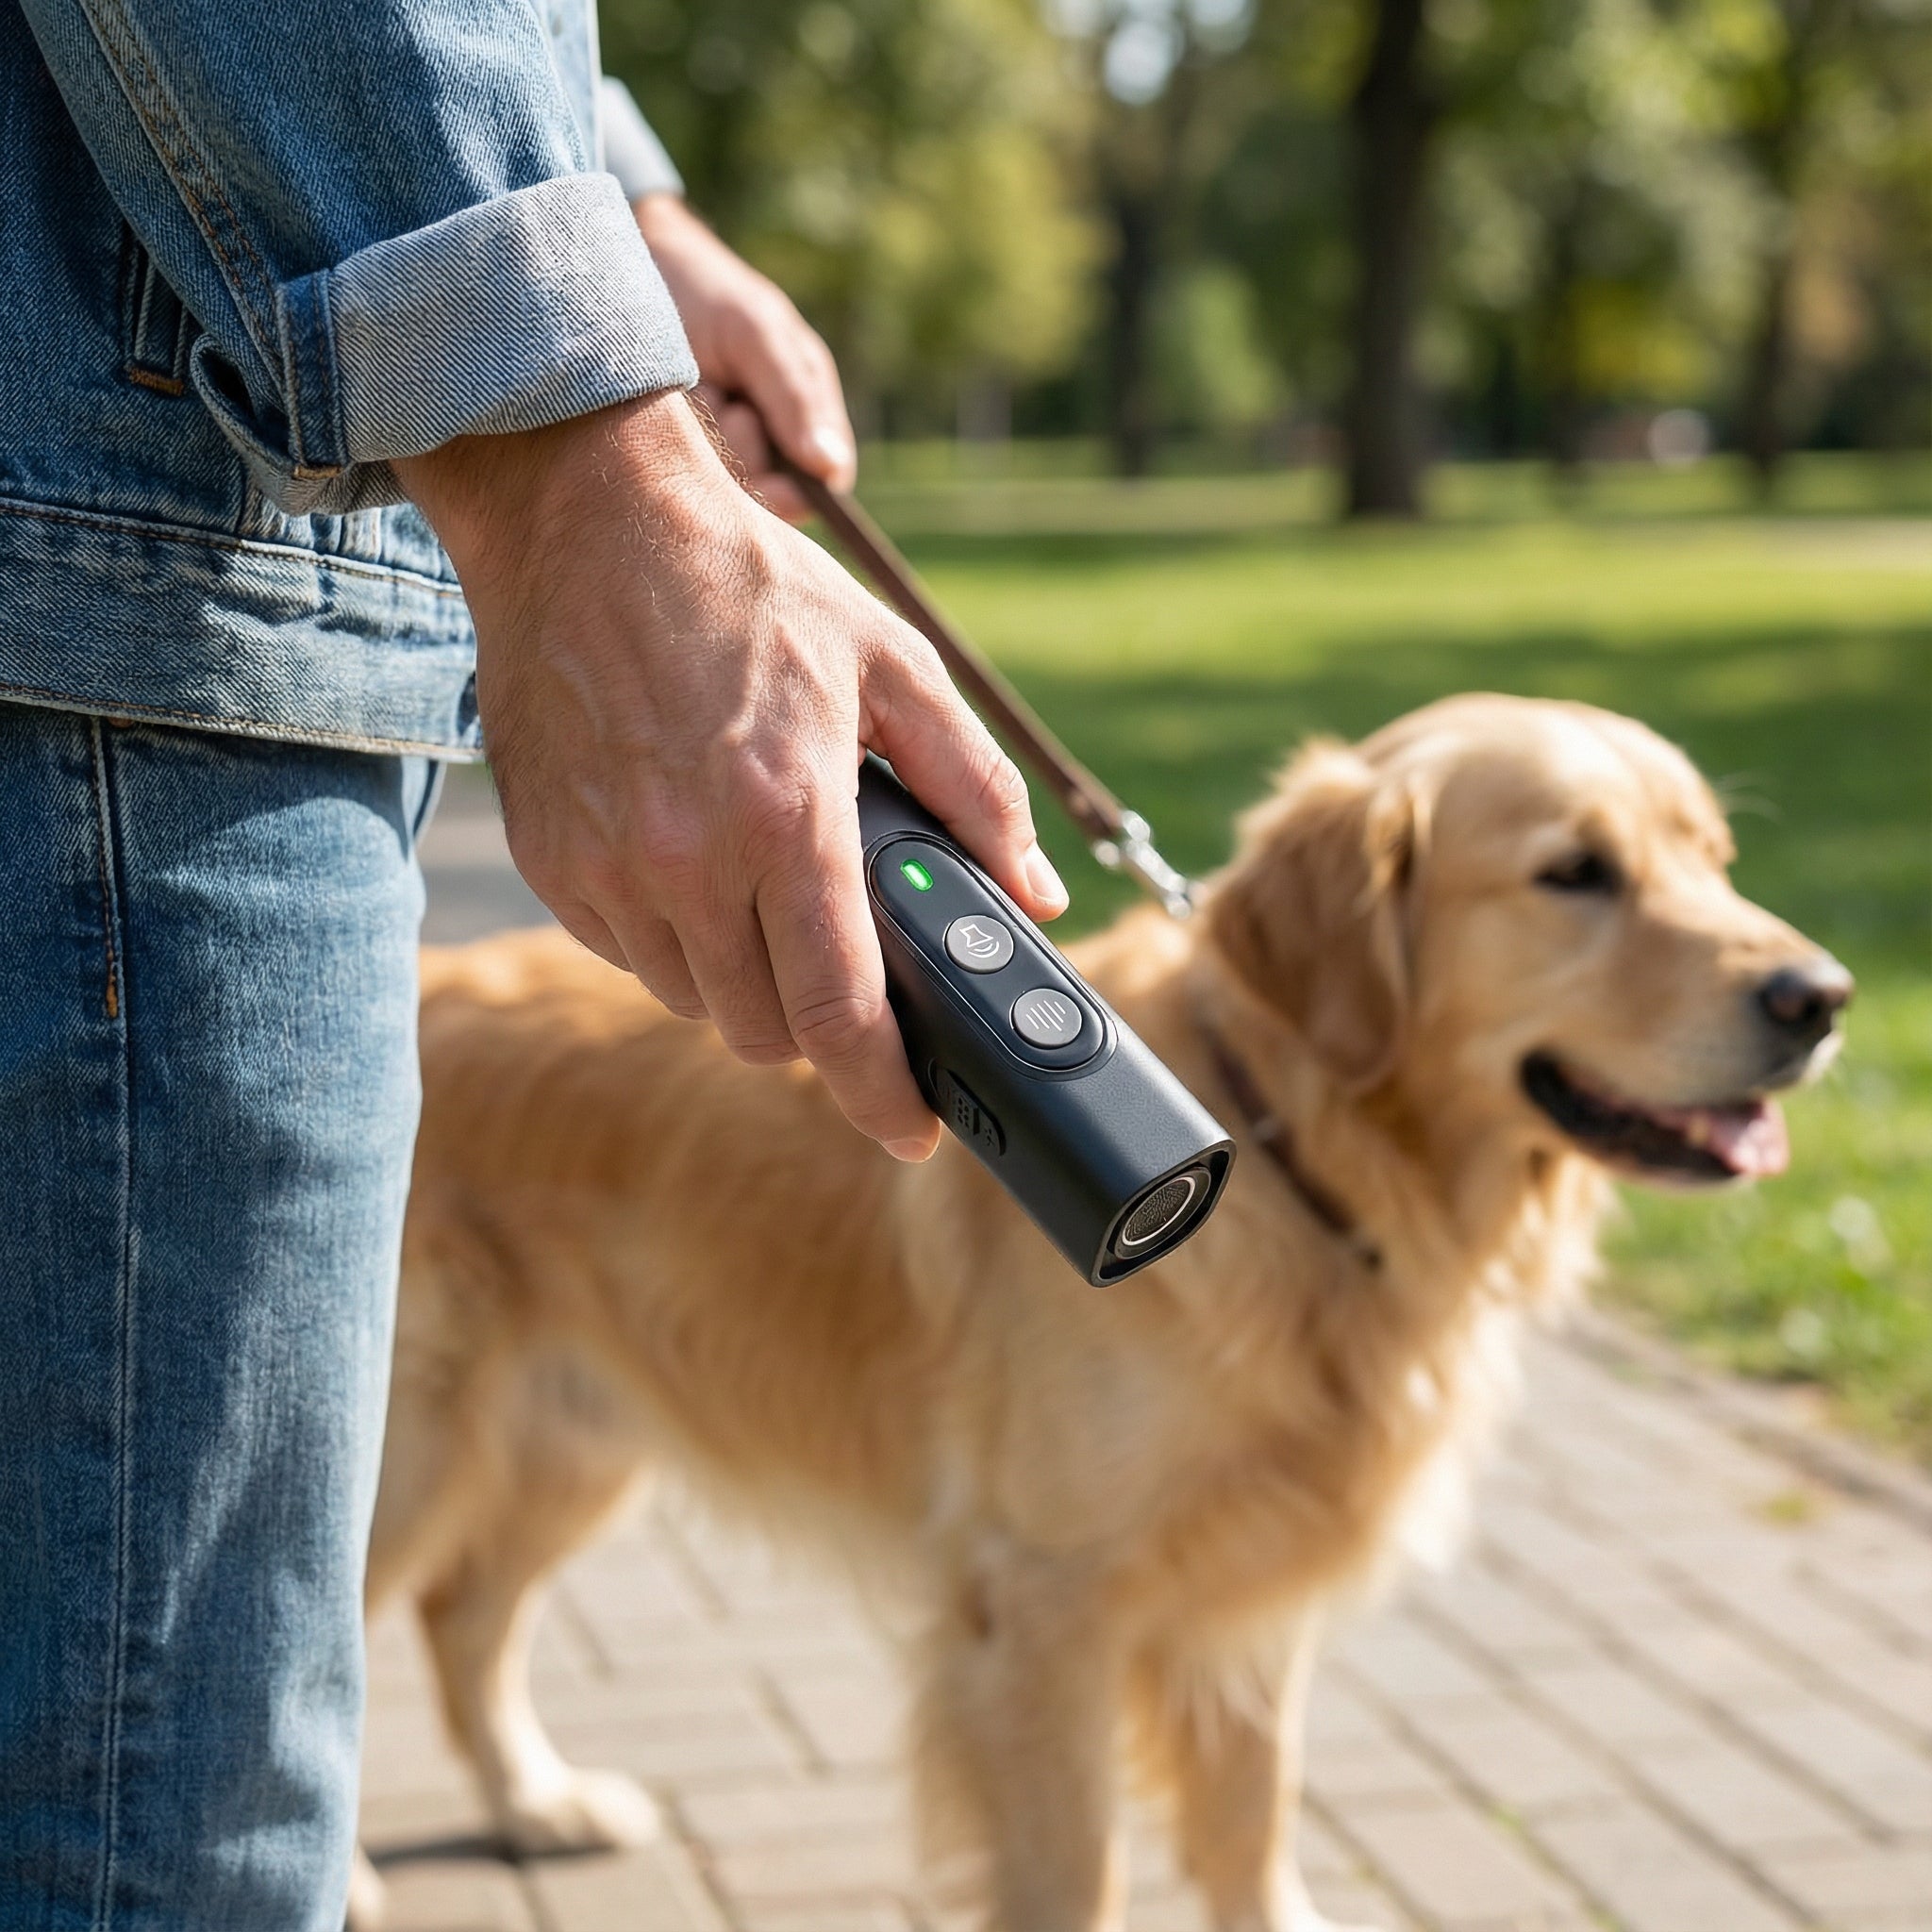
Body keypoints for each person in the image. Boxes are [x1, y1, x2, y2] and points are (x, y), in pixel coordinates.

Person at [0, 4, 1067, 1924]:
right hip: (143, 625)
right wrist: (576, 444)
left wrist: (618, 212)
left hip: (138, 585)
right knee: (162, 1817)